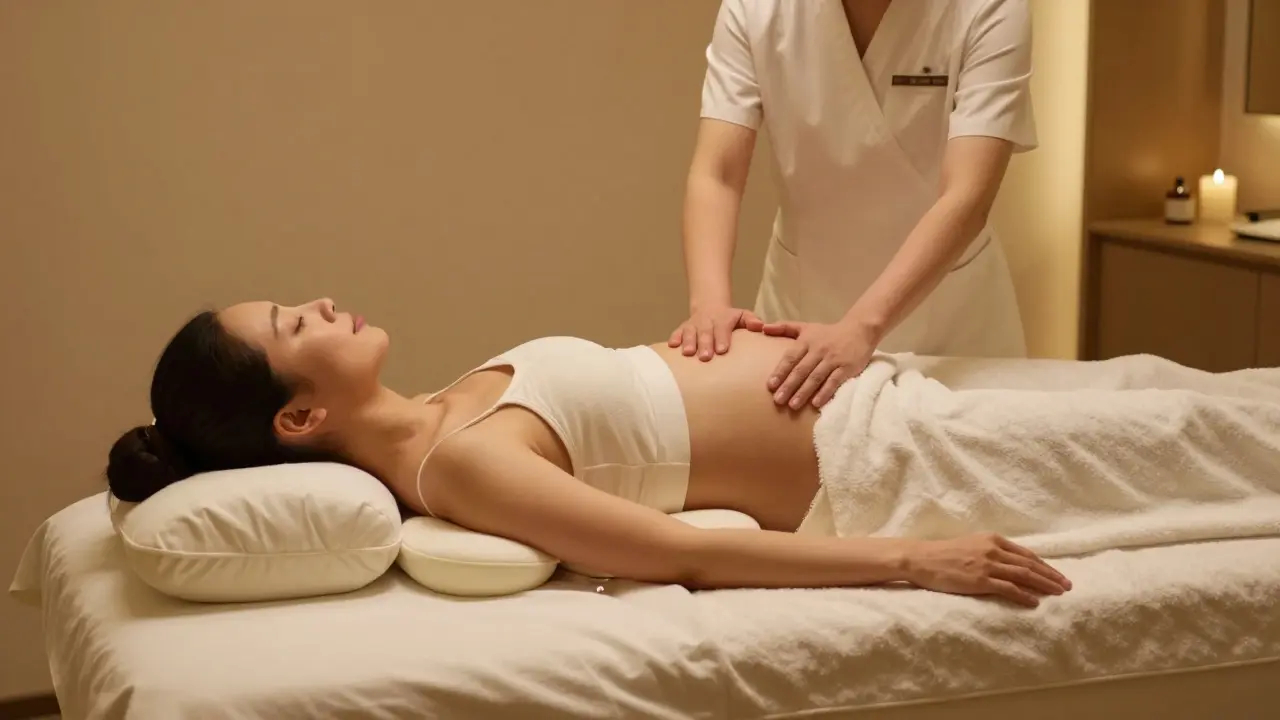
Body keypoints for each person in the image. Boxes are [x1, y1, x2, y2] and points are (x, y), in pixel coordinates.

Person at [107, 299, 1280, 609]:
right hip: (902, 463)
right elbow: (678, 556)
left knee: (1177, 394)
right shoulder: (455, 468)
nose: (318, 303)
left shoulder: (451, 402)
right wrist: (915, 562)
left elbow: (638, 414)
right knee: (1207, 430)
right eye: (292, 330)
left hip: (885, 395)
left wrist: (711, 337)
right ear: (298, 421)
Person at [670, 0, 1037, 411]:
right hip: (803, 308)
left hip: (952, 324)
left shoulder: (989, 7)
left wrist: (862, 328)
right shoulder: (755, 9)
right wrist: (709, 307)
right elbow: (718, 174)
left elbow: (967, 196)